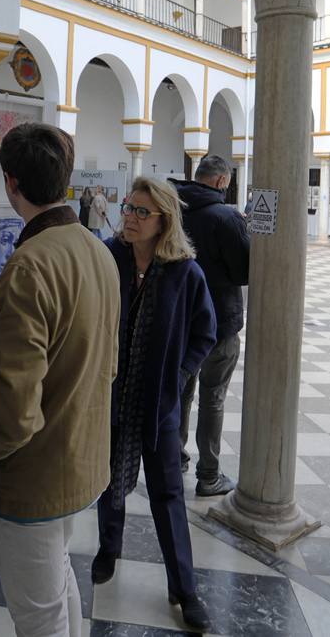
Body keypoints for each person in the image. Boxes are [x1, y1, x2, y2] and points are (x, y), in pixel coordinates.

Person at [0, 123, 119, 637]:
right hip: (80, 456)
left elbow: (12, 405)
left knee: (37, 612)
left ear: (10, 182)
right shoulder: (95, 248)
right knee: (57, 580)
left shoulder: (31, 265)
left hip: (34, 472)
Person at [92, 177, 216, 632]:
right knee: (108, 478)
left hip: (159, 401)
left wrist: (181, 374)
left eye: (142, 211)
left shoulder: (185, 272)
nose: (130, 216)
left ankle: (184, 588)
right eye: (129, 207)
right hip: (109, 394)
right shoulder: (108, 258)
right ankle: (110, 547)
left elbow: (206, 331)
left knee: (167, 494)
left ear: (164, 219)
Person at [170, 155, 249, 497]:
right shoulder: (226, 216)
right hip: (219, 320)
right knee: (212, 398)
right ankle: (209, 475)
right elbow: (245, 271)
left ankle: (174, 461)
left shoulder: (172, 209)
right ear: (221, 182)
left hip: (180, 318)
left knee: (182, 394)